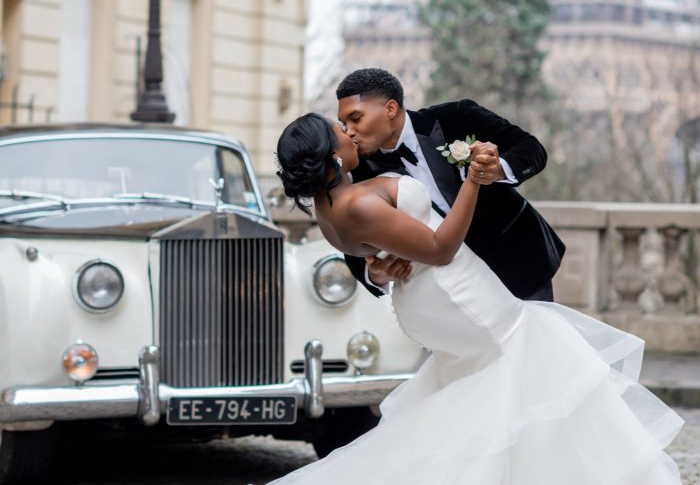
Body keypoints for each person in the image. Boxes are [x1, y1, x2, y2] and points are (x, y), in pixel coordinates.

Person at [270, 112, 683, 484]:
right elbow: (439, 248)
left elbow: (372, 248)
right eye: (340, 129)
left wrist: (378, 266)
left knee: (494, 383)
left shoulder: (328, 207)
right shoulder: (356, 201)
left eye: (351, 120)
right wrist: (472, 181)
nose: (349, 132)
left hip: (426, 298)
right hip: (454, 291)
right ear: (331, 155)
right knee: (530, 348)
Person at [336, 68, 564, 301]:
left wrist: (499, 168)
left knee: (533, 336)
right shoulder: (359, 170)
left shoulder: (457, 116)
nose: (349, 131)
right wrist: (374, 274)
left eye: (355, 119)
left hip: (516, 261)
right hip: (444, 289)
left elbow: (532, 149)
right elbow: (351, 235)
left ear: (390, 109)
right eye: (343, 123)